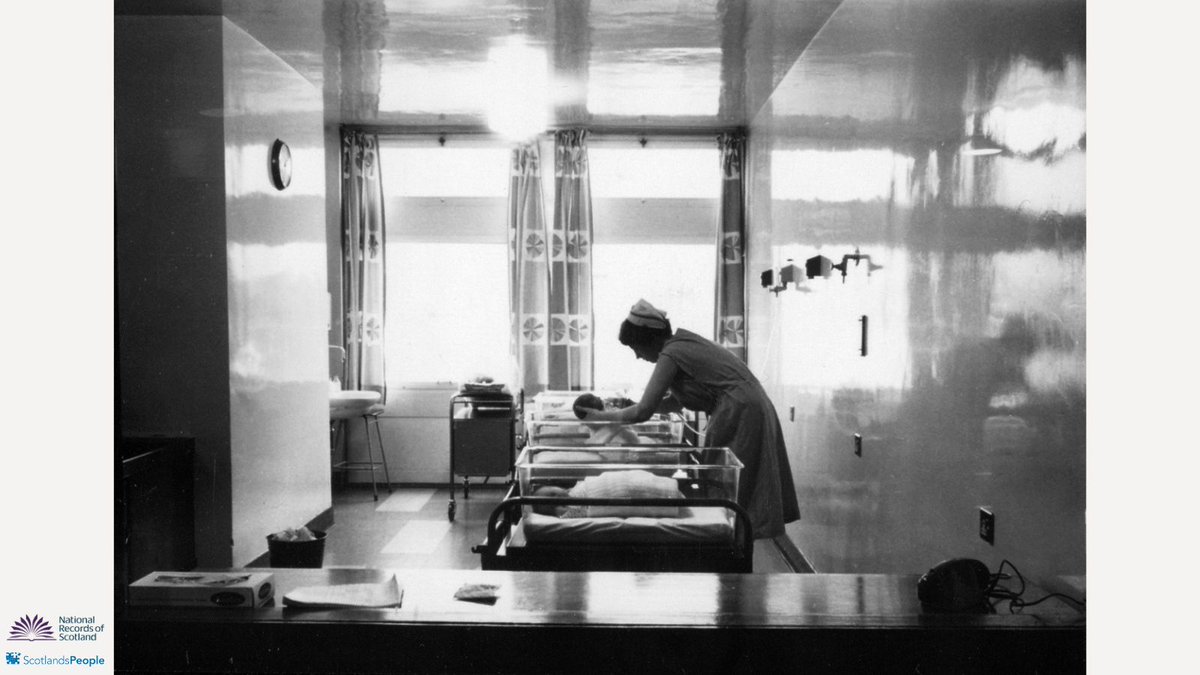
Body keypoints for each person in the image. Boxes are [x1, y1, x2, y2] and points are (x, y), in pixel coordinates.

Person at [578, 299, 801, 538]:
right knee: (736, 483)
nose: (638, 357)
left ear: (648, 340)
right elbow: (675, 402)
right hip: (748, 405)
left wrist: (604, 418)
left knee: (730, 483)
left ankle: (731, 547)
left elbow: (643, 413)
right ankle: (732, 542)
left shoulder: (672, 352)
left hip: (740, 410)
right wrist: (632, 407)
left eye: (636, 349)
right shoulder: (682, 345)